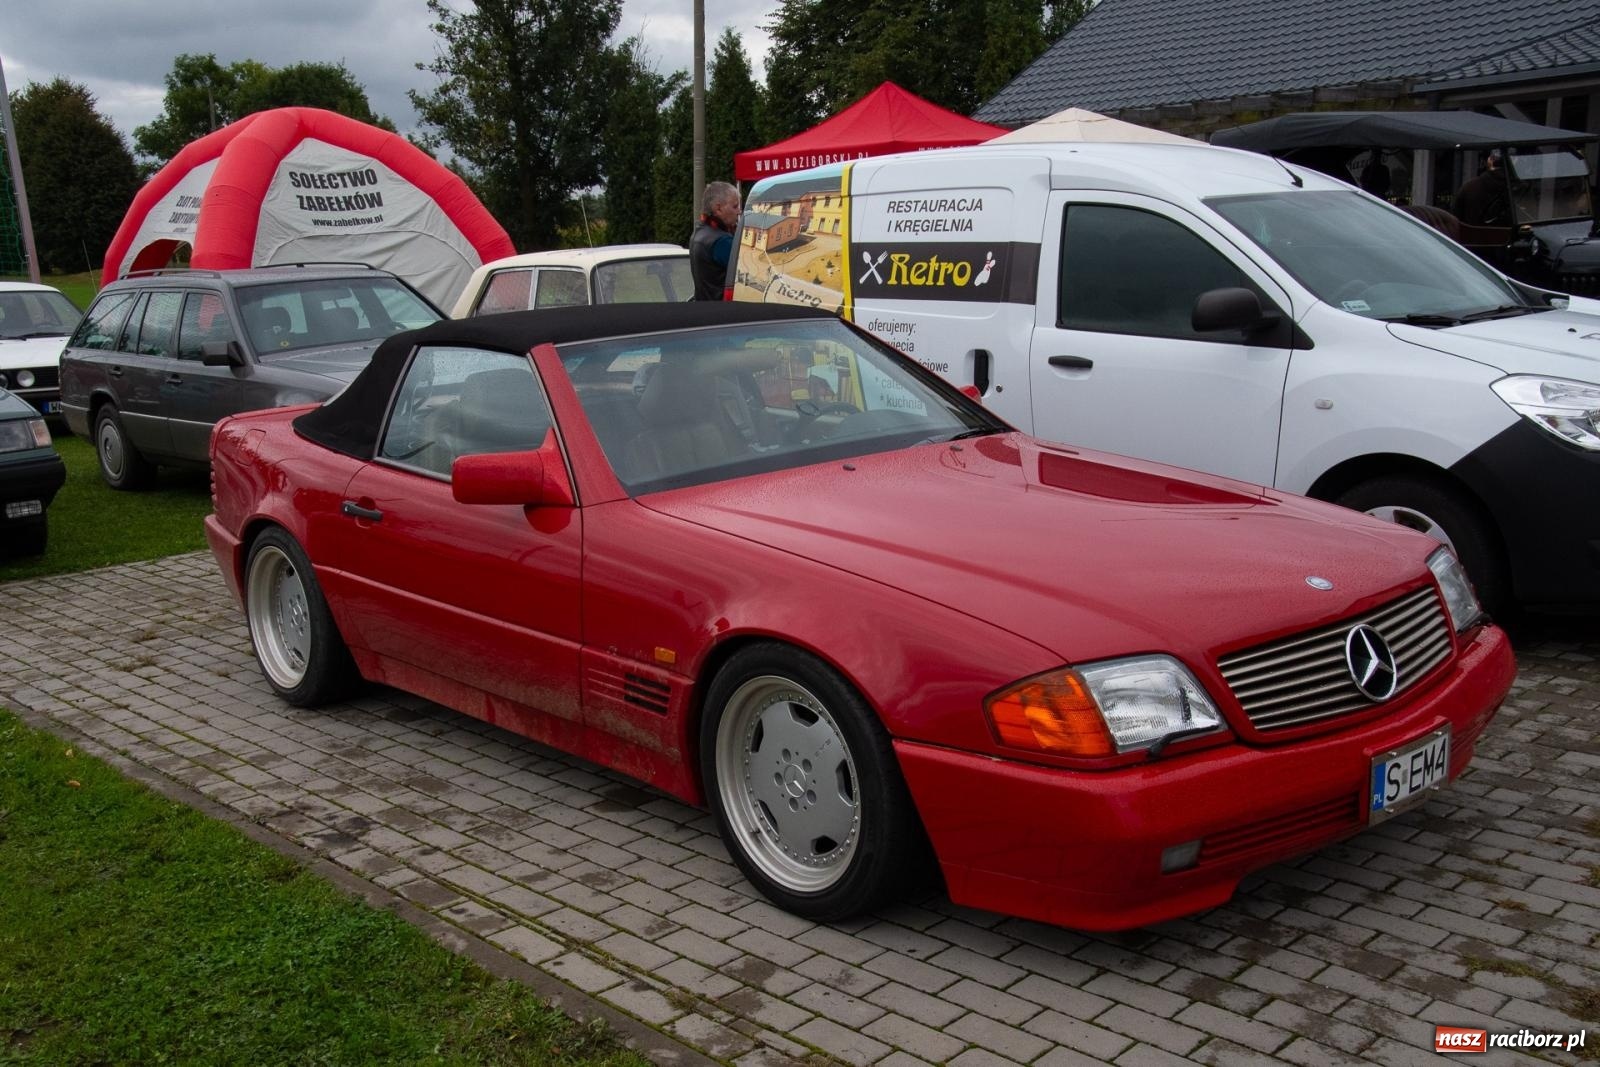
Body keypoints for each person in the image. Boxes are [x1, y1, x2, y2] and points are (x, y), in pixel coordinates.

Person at [691, 181, 741, 301]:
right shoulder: (721, 241)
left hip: (706, 310)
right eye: (735, 206)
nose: (739, 211)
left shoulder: (698, 233)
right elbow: (750, 273)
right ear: (718, 208)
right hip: (725, 312)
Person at [1452, 149, 1511, 226]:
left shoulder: (1469, 188)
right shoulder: (1521, 190)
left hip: (1472, 236)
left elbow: (1455, 221)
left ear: (1490, 161)